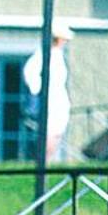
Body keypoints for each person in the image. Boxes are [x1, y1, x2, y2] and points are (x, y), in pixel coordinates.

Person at [22, 23, 72, 160]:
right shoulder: (44, 53)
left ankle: (49, 158)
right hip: (50, 97)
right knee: (49, 129)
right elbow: (30, 71)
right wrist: (38, 89)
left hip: (59, 96)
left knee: (58, 128)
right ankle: (44, 160)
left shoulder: (58, 54)